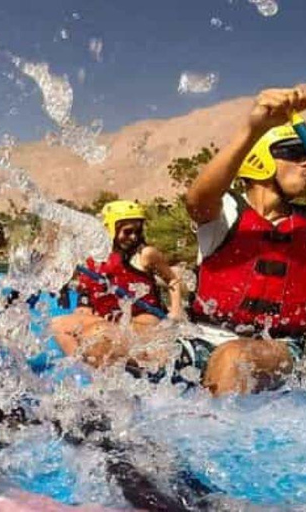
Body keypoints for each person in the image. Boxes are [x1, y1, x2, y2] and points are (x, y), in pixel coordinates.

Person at [184, 85, 306, 395]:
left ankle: (205, 442)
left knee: (235, 357)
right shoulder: (225, 212)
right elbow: (198, 200)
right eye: (294, 152)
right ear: (260, 159)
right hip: (201, 339)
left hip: (282, 346)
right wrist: (254, 129)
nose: (305, 162)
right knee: (96, 337)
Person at [51, 200, 183, 367]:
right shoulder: (92, 258)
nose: (134, 237)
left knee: (100, 334)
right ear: (110, 229)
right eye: (127, 232)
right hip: (107, 318)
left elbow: (172, 279)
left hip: (142, 318)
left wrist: (176, 311)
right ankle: (82, 369)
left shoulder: (145, 255)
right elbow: (87, 293)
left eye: (137, 231)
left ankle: (134, 364)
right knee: (57, 325)